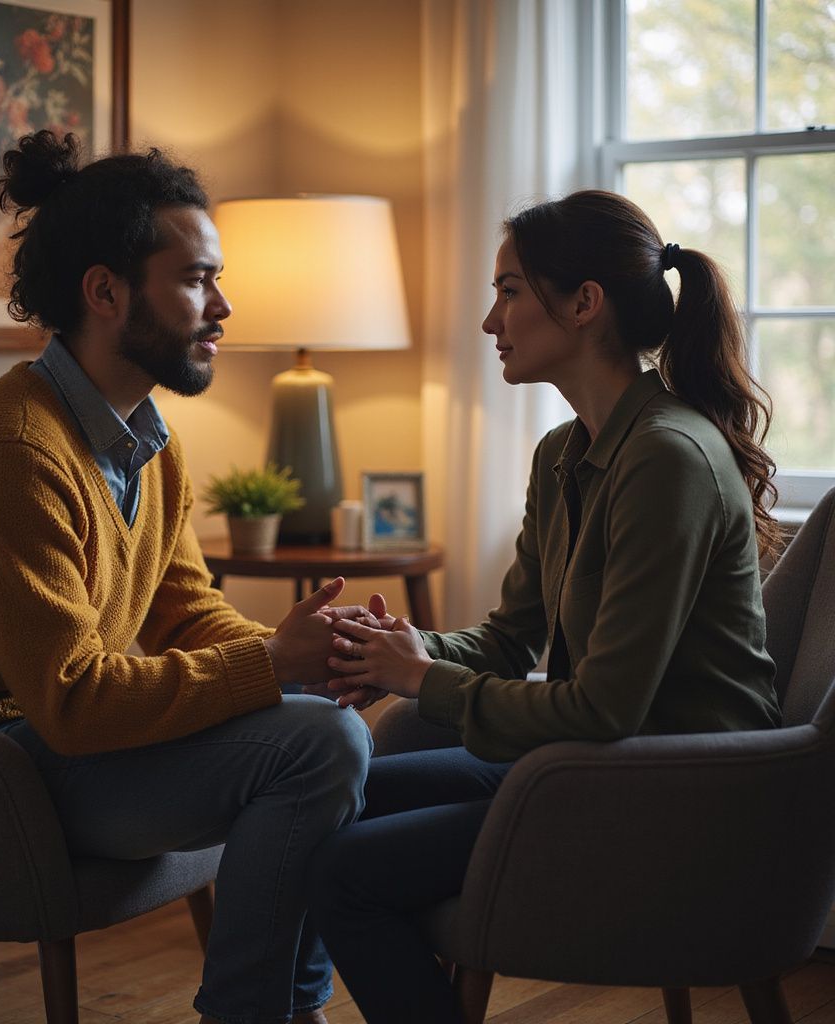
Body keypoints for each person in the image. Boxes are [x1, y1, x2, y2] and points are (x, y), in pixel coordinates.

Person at [0, 130, 375, 1024]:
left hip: (67, 748)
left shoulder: (149, 440)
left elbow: (188, 613)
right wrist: (274, 670)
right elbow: (70, 698)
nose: (223, 306)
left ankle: (280, 1010)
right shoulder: (12, 450)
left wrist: (303, 652)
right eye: (197, 280)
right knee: (320, 743)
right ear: (106, 291)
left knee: (334, 721)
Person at [305, 189, 783, 1024]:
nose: (492, 322)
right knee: (329, 794)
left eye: (510, 291)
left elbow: (604, 707)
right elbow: (508, 638)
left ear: (585, 304)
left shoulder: (667, 459)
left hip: (676, 796)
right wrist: (405, 648)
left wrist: (421, 680)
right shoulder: (564, 452)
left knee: (344, 875)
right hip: (591, 766)